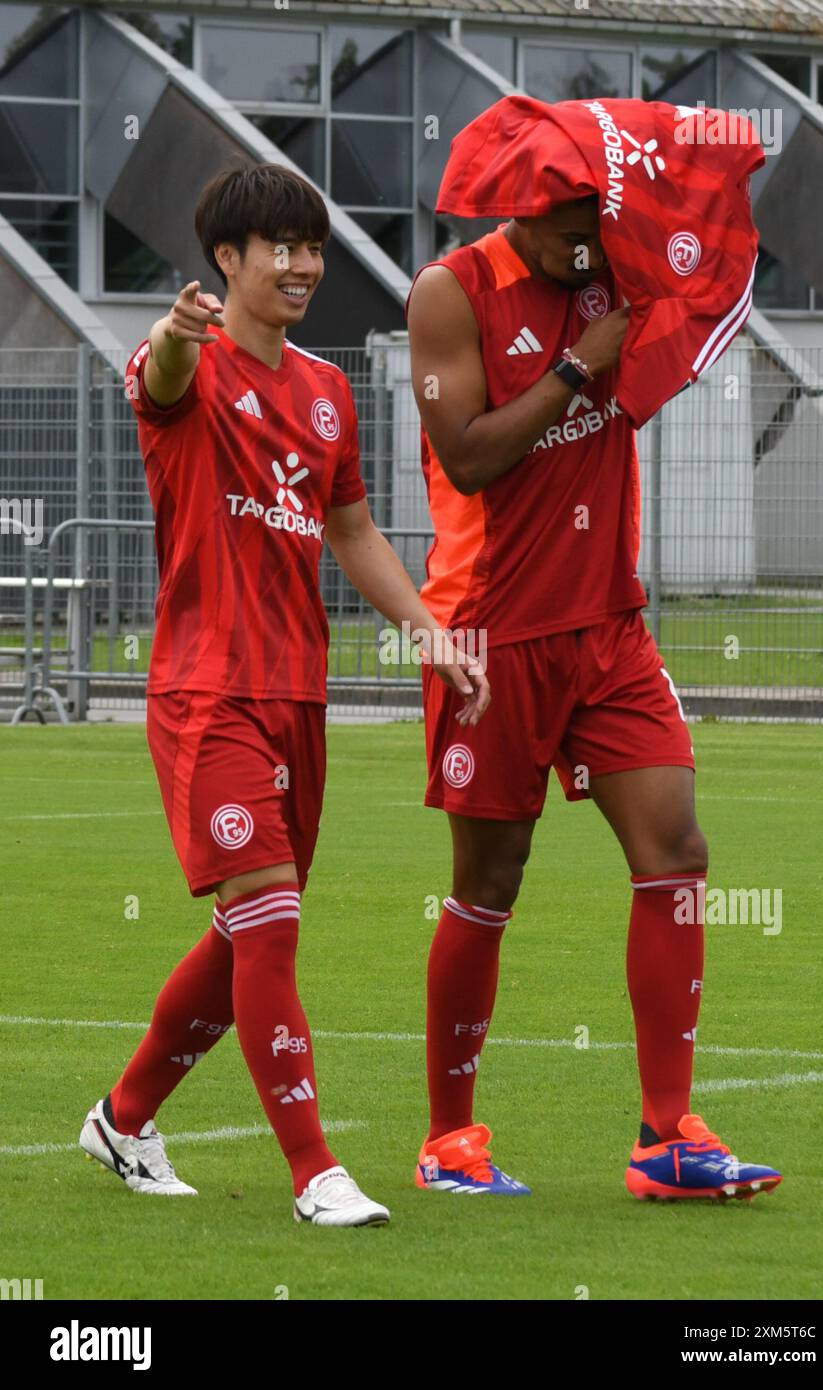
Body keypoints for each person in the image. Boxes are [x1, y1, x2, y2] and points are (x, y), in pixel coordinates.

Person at [79, 163, 489, 1228]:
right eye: (281, 246)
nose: (303, 264)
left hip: (295, 695)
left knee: (244, 932)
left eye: (312, 246)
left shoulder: (327, 390)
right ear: (228, 260)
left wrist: (430, 635)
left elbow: (351, 531)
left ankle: (124, 1117)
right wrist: (173, 334)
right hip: (205, 690)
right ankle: (316, 1172)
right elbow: (161, 376)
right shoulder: (186, 365)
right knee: (268, 922)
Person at [406, 196, 782, 1201]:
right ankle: (449, 1140)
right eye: (566, 227)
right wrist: (578, 363)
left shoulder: (617, 273)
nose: (584, 246)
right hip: (489, 631)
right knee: (490, 882)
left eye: (594, 223)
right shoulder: (449, 294)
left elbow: (703, 285)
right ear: (515, 211)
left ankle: (665, 1136)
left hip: (608, 625)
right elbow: (467, 455)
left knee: (677, 851)